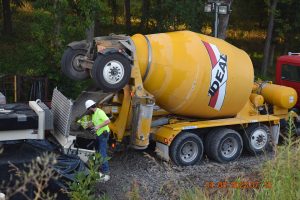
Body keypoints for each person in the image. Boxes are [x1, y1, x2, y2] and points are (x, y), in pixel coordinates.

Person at [85, 99, 111, 182]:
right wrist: (89, 124)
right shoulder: (94, 114)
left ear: (90, 108)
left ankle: (106, 171)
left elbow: (108, 121)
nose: (88, 111)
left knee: (102, 152)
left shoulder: (99, 112)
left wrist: (98, 126)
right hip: (99, 134)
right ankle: (99, 166)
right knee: (97, 151)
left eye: (88, 109)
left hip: (103, 134)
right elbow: (94, 123)